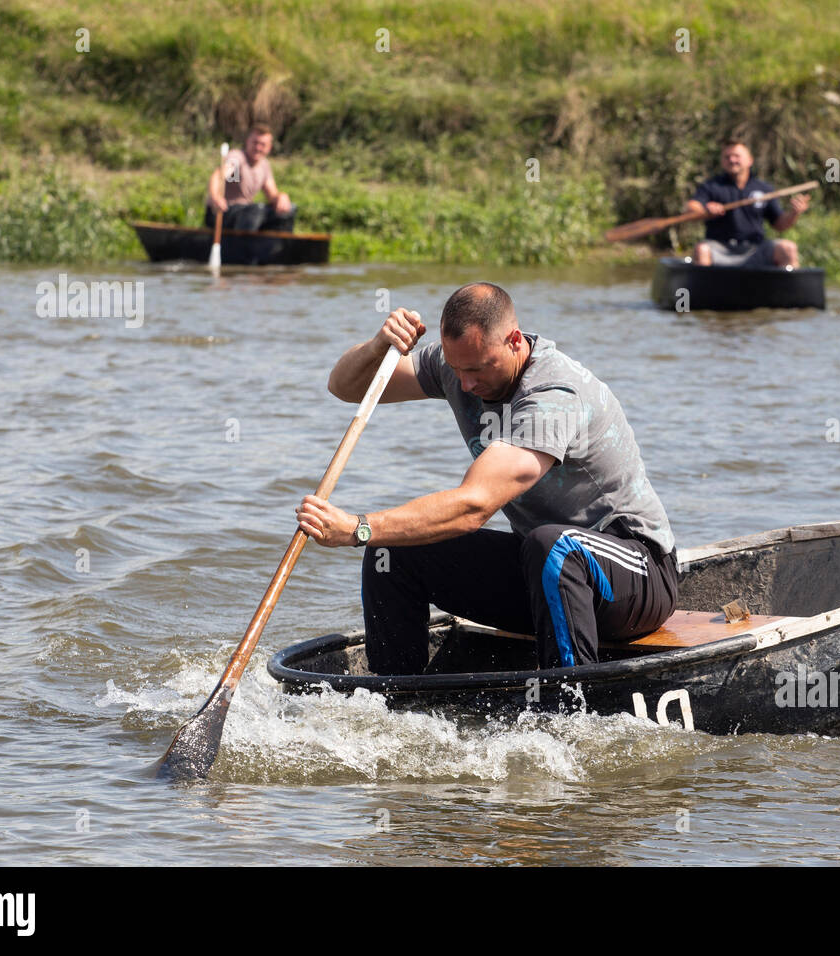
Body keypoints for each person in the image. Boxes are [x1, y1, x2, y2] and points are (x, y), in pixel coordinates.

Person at [296, 282, 678, 675]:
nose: (464, 384)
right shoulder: (457, 364)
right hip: (543, 576)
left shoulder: (553, 395)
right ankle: (397, 702)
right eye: (456, 368)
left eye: (476, 369)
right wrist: (378, 346)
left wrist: (357, 528)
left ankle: (568, 709)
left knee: (553, 547)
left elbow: (474, 505)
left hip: (636, 576)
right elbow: (346, 387)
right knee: (391, 550)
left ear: (514, 341)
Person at [685, 140, 809, 268]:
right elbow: (692, 206)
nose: (732, 160)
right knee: (702, 250)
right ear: (722, 161)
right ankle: (704, 287)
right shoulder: (712, 186)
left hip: (754, 249)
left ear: (750, 160)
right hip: (719, 248)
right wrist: (705, 209)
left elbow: (780, 224)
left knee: (788, 248)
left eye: (737, 156)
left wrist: (794, 213)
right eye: (727, 157)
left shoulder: (764, 188)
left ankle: (786, 288)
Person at [204, 123, 295, 232]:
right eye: (255, 142)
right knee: (256, 211)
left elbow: (272, 194)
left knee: (289, 210)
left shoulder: (264, 165)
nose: (258, 148)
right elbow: (218, 176)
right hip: (223, 212)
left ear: (269, 147)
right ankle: (241, 246)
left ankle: (276, 247)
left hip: (246, 214)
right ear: (247, 142)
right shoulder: (237, 158)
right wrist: (215, 197)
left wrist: (281, 197)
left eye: (262, 144)